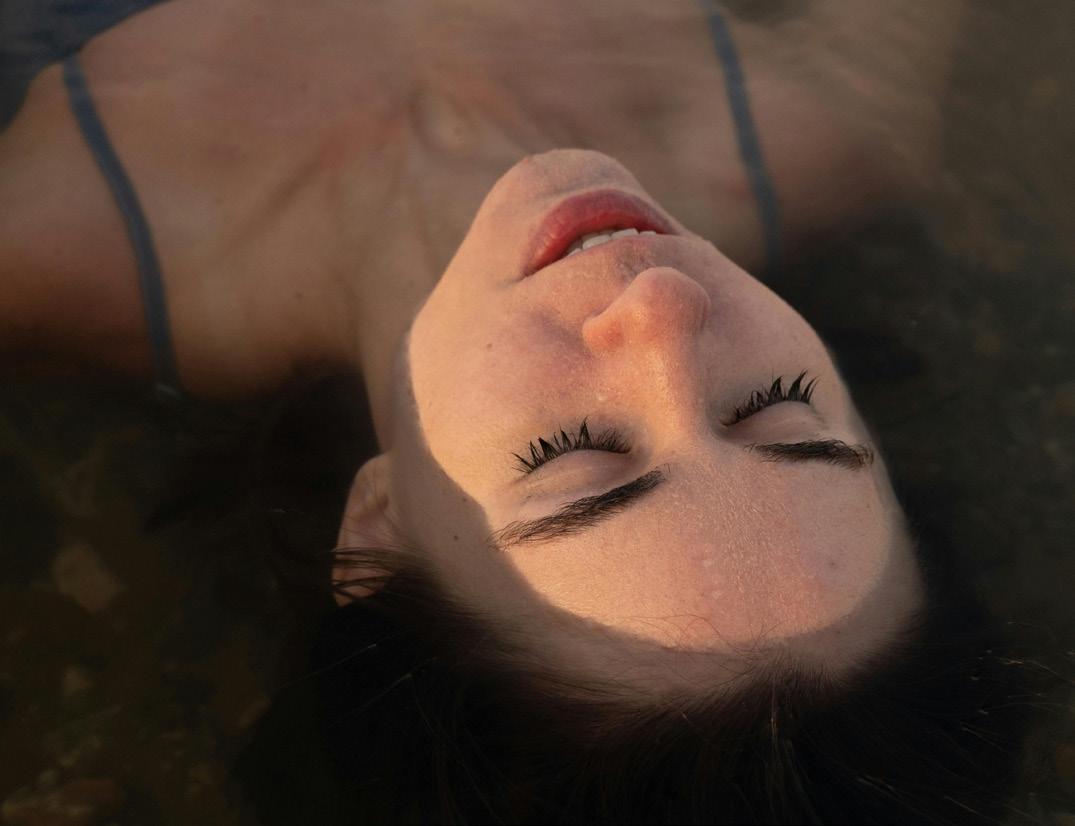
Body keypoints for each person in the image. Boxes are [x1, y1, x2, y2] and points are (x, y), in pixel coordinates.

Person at [0, 1, 1046, 822]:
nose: (662, 309)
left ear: (377, 530)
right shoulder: (840, 122)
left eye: (573, 452)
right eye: (778, 408)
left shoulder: (44, 253)